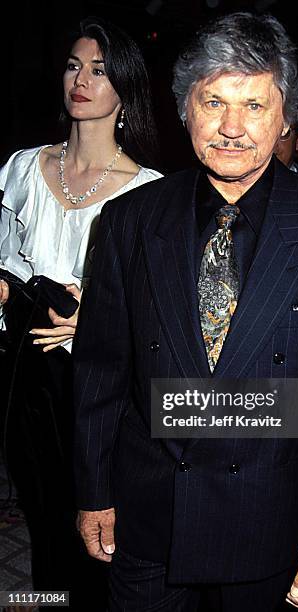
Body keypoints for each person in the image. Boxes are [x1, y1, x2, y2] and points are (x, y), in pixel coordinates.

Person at [73, 12, 298, 612]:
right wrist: (94, 491)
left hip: (270, 531)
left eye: (254, 106)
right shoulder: (129, 222)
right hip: (146, 524)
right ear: (184, 108)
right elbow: (99, 372)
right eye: (213, 101)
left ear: (286, 118)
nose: (231, 127)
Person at [0, 15, 162, 610]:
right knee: (41, 515)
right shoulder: (22, 168)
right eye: (74, 65)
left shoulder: (148, 192)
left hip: (98, 388)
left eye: (99, 69)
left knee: (94, 525)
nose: (82, 80)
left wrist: (98, 319)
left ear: (124, 88)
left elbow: (162, 316)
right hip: (26, 377)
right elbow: (5, 259)